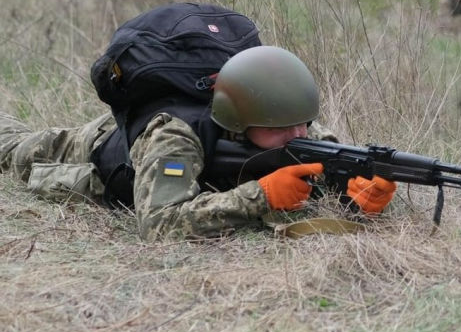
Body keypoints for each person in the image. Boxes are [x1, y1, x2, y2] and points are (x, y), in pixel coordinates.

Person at [0, 45, 396, 240]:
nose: (297, 137)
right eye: (282, 128)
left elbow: (325, 161)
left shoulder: (287, 126)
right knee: (11, 147)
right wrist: (259, 196)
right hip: (93, 151)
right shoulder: (174, 138)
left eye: (303, 124)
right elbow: (158, 225)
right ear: (240, 123)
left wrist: (360, 191)